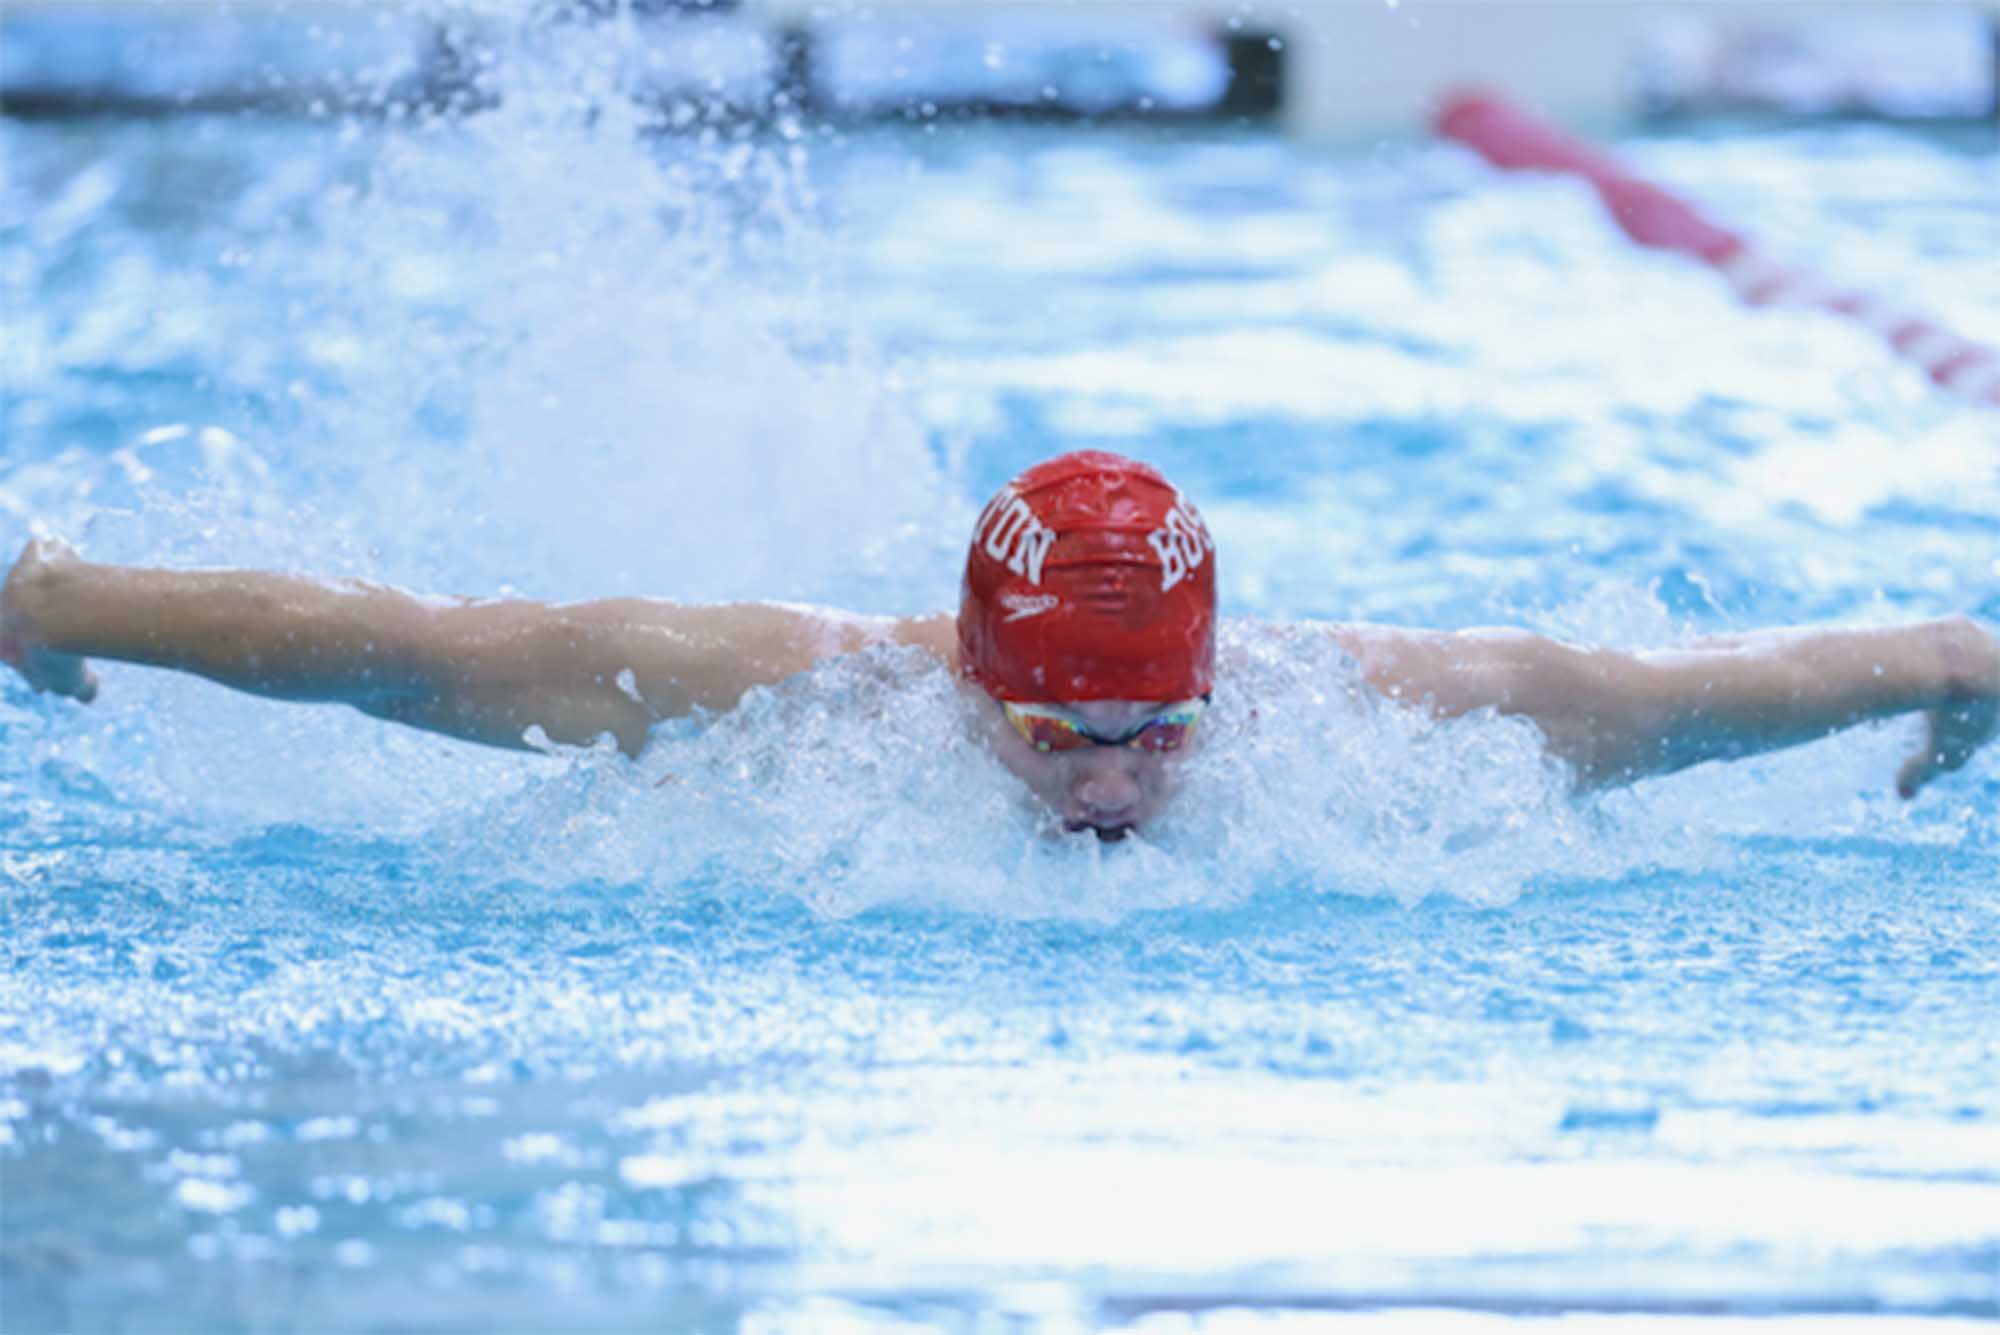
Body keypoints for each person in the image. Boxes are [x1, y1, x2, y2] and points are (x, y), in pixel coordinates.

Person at [3, 451, 1995, 842]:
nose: (1107, 779)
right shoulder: (776, 685)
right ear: (966, 675)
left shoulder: (1384, 715)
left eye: (1154, 724)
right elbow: (397, 653)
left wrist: (1949, 658)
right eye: (1052, 720)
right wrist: (55, 607)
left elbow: (1687, 703)